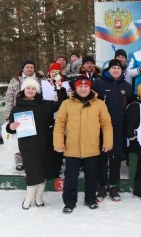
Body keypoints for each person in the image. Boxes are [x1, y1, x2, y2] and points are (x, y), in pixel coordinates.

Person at [53, 77, 113, 213]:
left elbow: (106, 125)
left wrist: (108, 142)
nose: (83, 89)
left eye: (86, 87)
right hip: (72, 148)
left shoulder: (99, 104)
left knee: (92, 177)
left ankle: (90, 199)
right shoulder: (66, 104)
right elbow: (59, 125)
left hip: (92, 147)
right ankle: (69, 202)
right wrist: (58, 143)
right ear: (76, 88)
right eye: (80, 87)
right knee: (71, 177)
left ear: (90, 88)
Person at [6, 77, 67, 209]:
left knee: (43, 171)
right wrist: (11, 127)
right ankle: (29, 197)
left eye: (34, 88)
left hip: (44, 143)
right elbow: (9, 126)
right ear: (23, 90)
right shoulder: (17, 108)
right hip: (27, 145)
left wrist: (59, 88)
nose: (30, 90)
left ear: (37, 91)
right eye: (28, 87)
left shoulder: (45, 104)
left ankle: (39, 197)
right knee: (32, 171)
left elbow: (62, 103)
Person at [92, 59, 134, 202]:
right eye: (113, 67)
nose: (116, 70)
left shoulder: (127, 87)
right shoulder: (98, 84)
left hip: (119, 127)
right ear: (108, 69)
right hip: (101, 127)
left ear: (122, 71)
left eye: (118, 68)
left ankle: (114, 185)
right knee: (102, 157)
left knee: (116, 157)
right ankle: (102, 185)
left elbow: (130, 107)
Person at [4, 59, 44, 171]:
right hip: (19, 113)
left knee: (35, 139)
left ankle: (35, 160)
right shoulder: (15, 80)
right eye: (27, 67)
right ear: (23, 68)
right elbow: (9, 98)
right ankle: (19, 161)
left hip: (36, 111)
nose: (30, 69)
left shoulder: (41, 80)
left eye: (32, 67)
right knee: (19, 139)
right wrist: (9, 116)